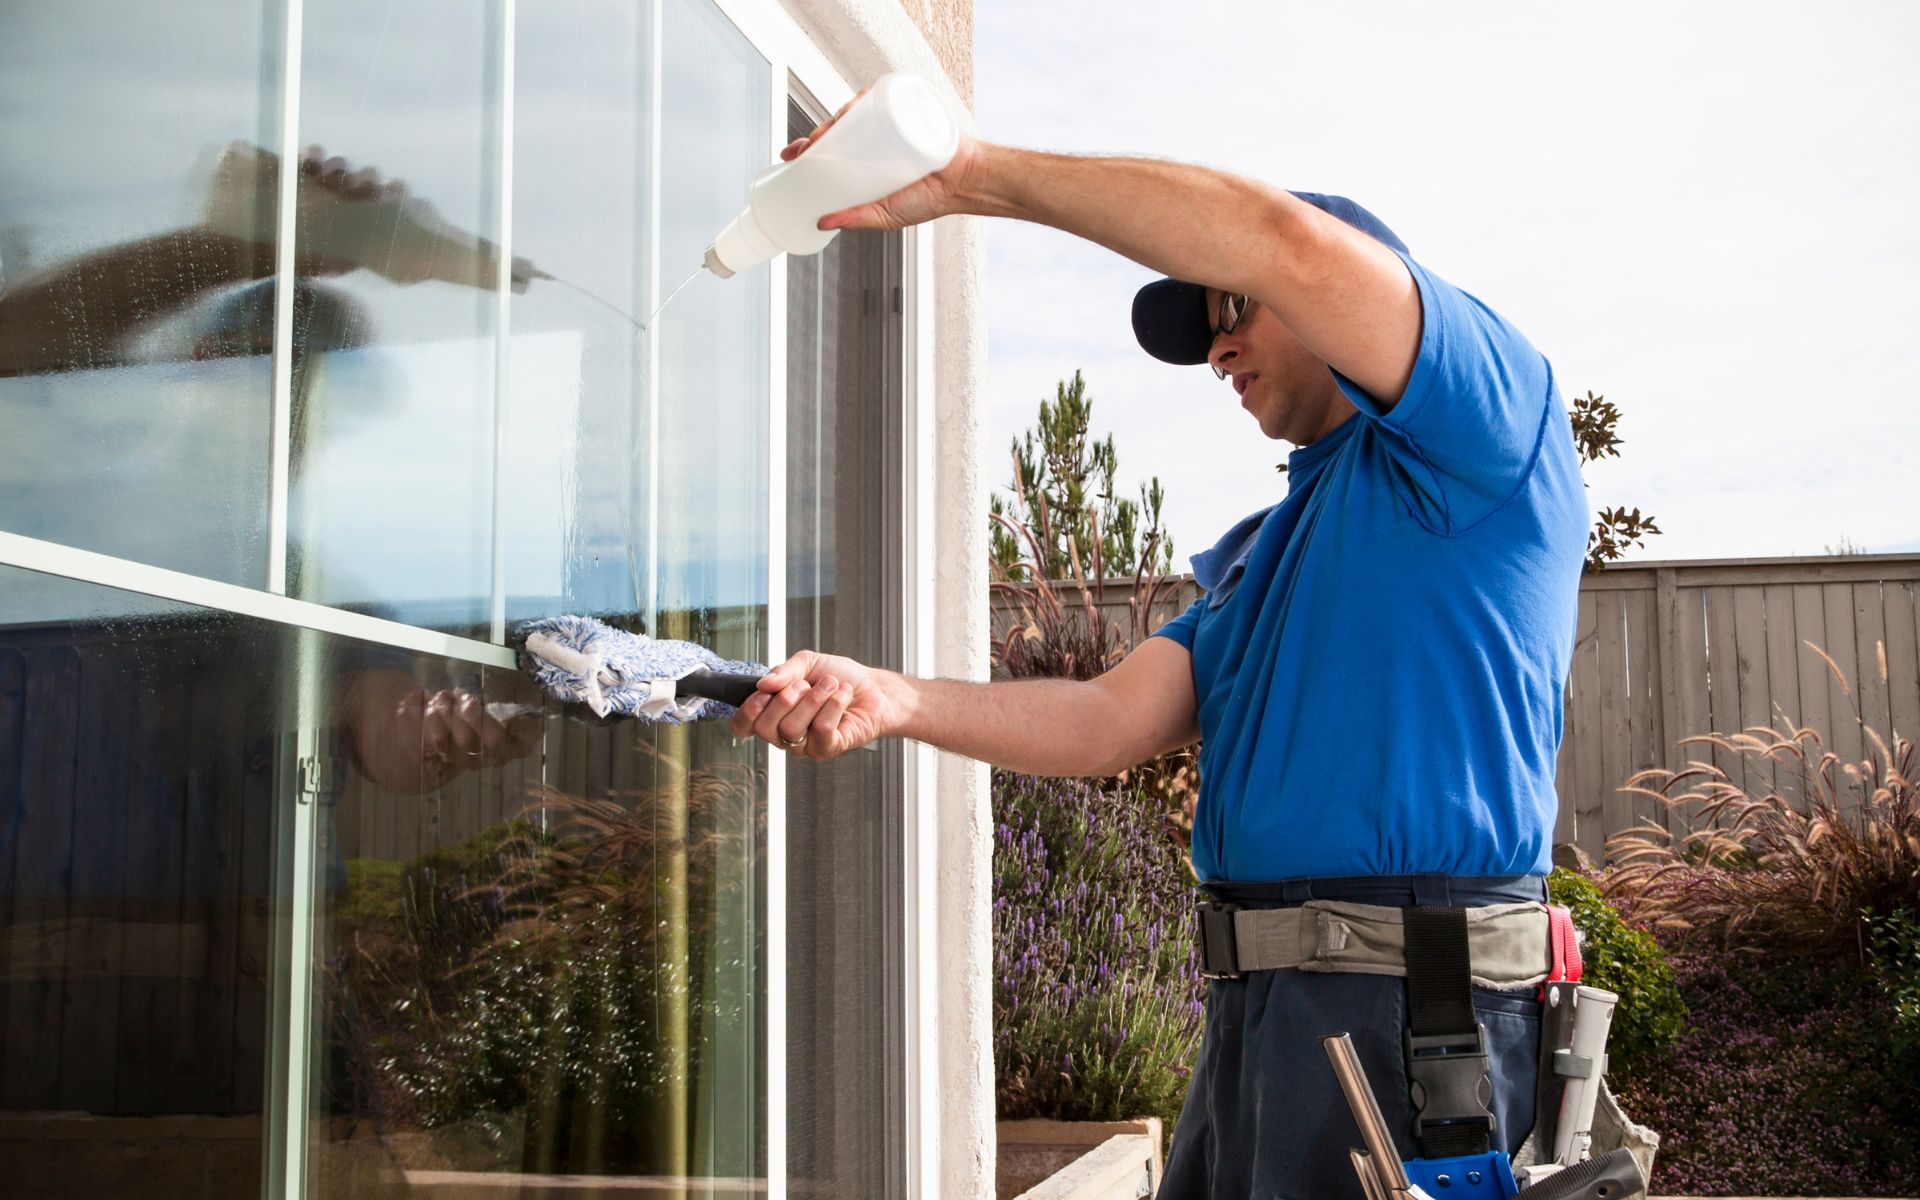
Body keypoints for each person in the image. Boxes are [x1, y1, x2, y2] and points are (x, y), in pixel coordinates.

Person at [730, 94, 1588, 1198]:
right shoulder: (1269, 555)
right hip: (1260, 1026)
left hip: (1410, 1023)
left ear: (1347, 293)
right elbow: (1105, 721)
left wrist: (971, 175)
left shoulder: (1485, 437)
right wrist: (888, 697)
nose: (1219, 346)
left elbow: (1283, 240)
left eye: (1240, 309)